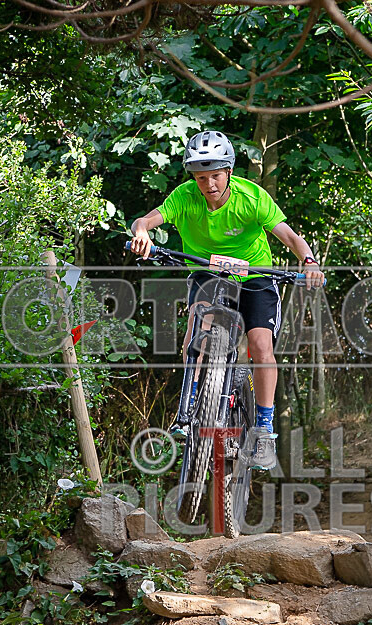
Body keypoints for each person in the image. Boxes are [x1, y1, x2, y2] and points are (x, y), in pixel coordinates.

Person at [130, 130, 324, 469]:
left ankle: (264, 429)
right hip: (208, 273)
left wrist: (309, 262)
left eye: (216, 176)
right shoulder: (185, 196)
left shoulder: (252, 197)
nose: (209, 184)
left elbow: (291, 237)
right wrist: (142, 232)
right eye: (201, 177)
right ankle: (188, 409)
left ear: (229, 172)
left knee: (260, 345)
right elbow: (146, 220)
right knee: (198, 323)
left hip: (255, 275)